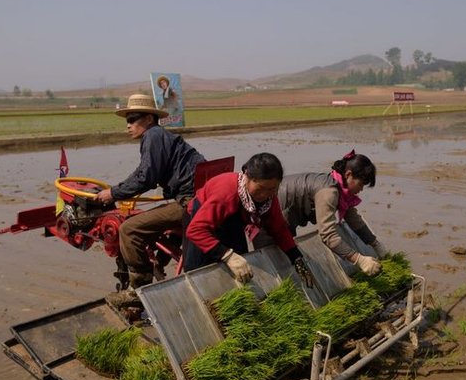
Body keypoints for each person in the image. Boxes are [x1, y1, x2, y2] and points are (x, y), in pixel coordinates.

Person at [96, 93, 206, 295]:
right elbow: (143, 173)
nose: (128, 126)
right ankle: (158, 265)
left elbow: (146, 177)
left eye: (132, 119)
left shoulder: (152, 136)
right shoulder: (160, 136)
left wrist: (113, 193)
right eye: (127, 121)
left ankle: (140, 289)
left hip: (189, 202)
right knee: (157, 222)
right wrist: (118, 189)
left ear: (148, 118)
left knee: (129, 229)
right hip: (200, 197)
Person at [182, 152, 316, 288]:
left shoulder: (269, 199)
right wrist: (227, 255)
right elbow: (195, 230)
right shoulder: (227, 193)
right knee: (199, 277)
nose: (264, 195)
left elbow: (279, 229)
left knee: (242, 271)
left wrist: (296, 257)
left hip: (232, 224)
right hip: (202, 223)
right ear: (247, 178)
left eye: (272, 189)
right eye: (260, 188)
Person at [253, 150, 387, 276]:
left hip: (284, 221)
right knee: (272, 269)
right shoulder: (329, 191)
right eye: (361, 184)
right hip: (267, 220)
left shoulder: (339, 190)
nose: (361, 189)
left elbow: (353, 218)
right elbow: (328, 234)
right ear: (348, 175)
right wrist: (359, 259)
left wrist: (374, 243)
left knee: (287, 265)